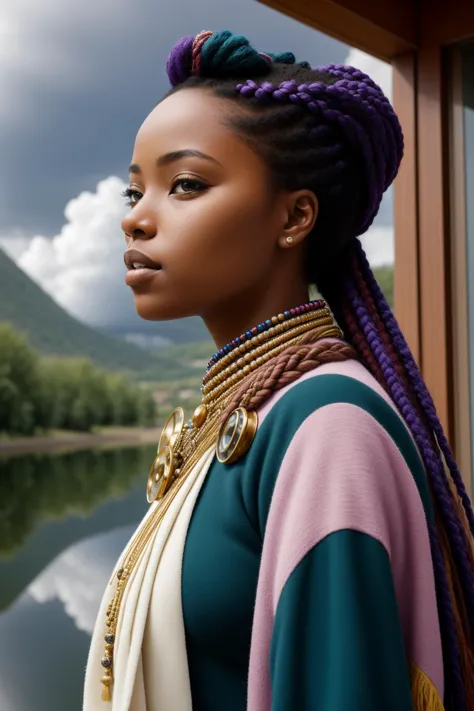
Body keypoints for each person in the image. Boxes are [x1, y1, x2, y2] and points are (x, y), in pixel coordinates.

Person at [83, 30, 474, 711]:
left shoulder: (327, 429)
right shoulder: (247, 414)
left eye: (185, 184)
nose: (137, 221)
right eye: (133, 192)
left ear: (294, 216)